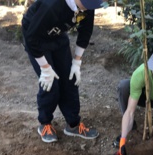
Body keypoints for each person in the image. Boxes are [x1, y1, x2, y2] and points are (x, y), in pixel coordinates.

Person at [21, 0, 105, 143]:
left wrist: (77, 62)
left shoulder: (87, 5)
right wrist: (45, 68)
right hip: (36, 38)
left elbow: (86, 31)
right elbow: (31, 39)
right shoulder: (51, 4)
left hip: (57, 36)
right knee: (50, 83)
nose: (88, 9)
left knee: (70, 79)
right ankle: (45, 123)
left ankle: (73, 124)